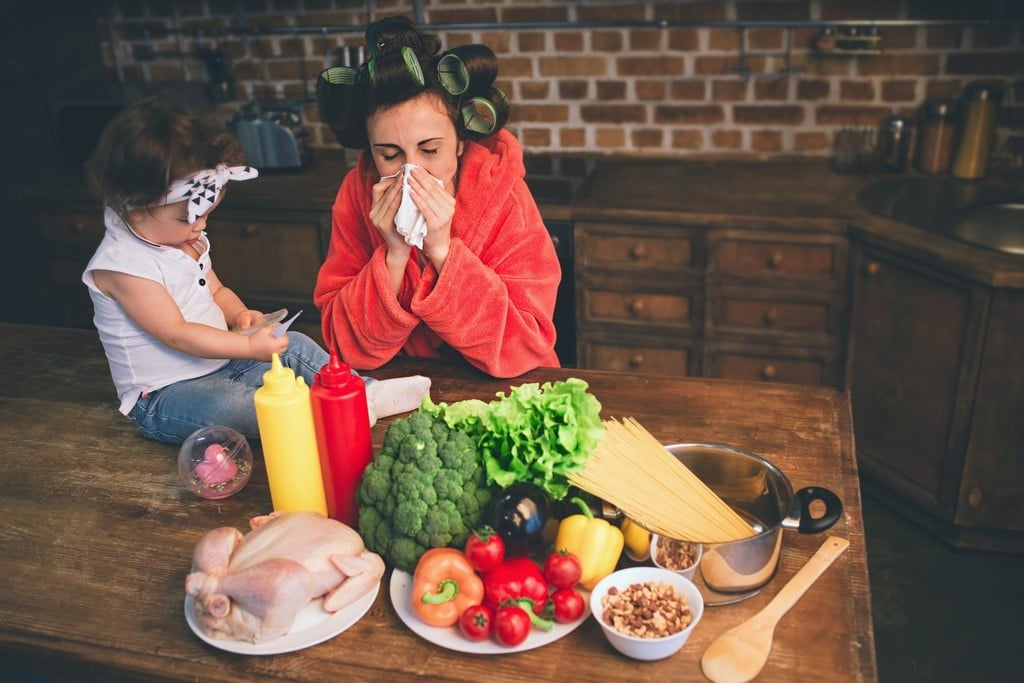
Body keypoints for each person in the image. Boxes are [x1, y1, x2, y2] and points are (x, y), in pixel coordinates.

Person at [314, 16, 560, 378]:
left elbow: (524, 346)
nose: (413, 170)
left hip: (505, 390)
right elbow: (343, 344)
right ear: (370, 149)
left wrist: (442, 251)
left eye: (429, 150)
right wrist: (393, 255)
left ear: (460, 142)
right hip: (403, 390)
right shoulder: (356, 194)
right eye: (390, 154)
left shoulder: (504, 194)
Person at [82, 97, 329, 444]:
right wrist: (246, 349)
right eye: (187, 217)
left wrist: (241, 316)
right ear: (134, 207)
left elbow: (216, 291)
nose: (200, 225)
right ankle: (321, 415)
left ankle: (359, 393)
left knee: (296, 344)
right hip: (167, 395)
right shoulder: (124, 266)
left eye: (207, 213)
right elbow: (176, 333)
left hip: (224, 361)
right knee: (233, 407)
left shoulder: (184, 240)